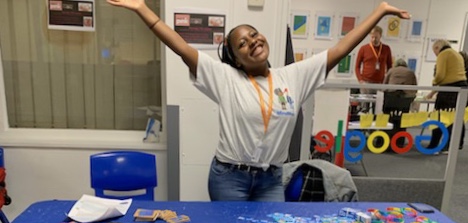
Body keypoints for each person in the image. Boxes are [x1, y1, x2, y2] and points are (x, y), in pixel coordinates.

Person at [107, 0, 410, 201]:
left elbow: (342, 48)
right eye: (242, 43)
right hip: (229, 179)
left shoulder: (293, 76)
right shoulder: (224, 78)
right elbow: (180, 46)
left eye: (254, 34)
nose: (252, 41)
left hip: (271, 179)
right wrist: (142, 9)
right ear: (235, 59)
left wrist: (379, 11)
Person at [425, 39, 467, 153]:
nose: (436, 55)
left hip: (448, 90)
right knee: (455, 118)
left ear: (437, 48)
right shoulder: (456, 54)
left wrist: (434, 83)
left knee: (439, 117)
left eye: (435, 52)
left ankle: (435, 145)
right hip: (461, 88)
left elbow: (440, 75)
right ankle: (452, 145)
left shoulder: (443, 54)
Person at [382, 58, 418, 148]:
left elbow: (384, 86)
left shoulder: (391, 70)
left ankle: (386, 142)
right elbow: (415, 87)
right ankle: (399, 143)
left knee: (388, 119)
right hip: (405, 100)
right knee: (402, 121)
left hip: (391, 98)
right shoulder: (411, 72)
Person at [355, 25, 393, 94]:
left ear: (380, 36)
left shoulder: (386, 49)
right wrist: (360, 80)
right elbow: (357, 66)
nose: (374, 39)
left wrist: (386, 81)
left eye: (376, 37)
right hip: (366, 82)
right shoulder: (363, 48)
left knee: (378, 104)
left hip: (380, 83)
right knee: (364, 104)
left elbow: (390, 66)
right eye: (372, 37)